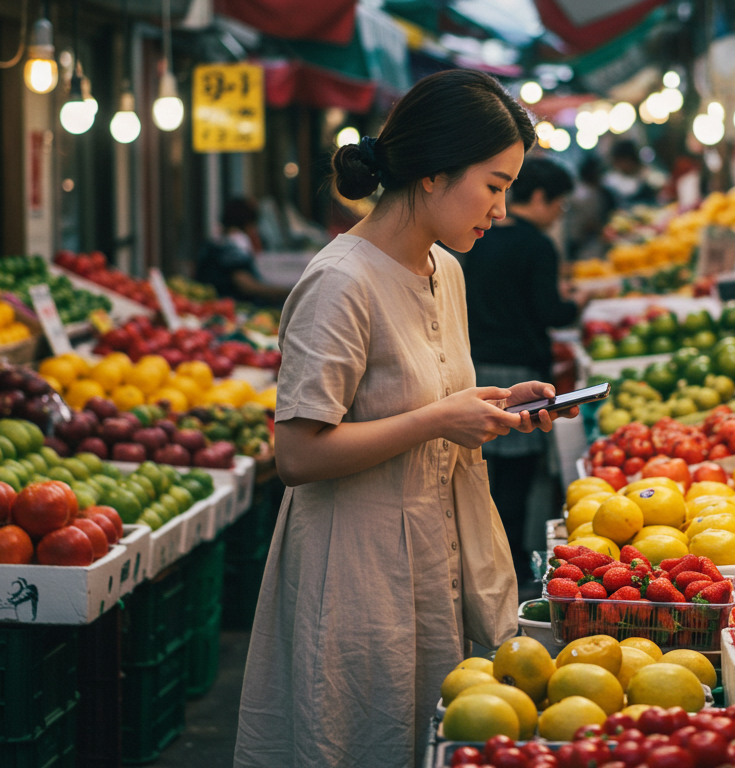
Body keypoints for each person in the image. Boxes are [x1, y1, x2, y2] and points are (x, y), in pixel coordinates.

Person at [234, 70, 572, 768]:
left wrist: (492, 411)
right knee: (362, 738)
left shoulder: (445, 269)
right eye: (495, 184)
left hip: (432, 551)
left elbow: (433, 403)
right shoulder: (339, 283)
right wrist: (437, 421)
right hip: (357, 572)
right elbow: (296, 454)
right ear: (431, 174)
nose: (502, 211)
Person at [460, 156, 584, 591]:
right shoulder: (537, 246)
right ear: (540, 197)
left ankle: (483, 565)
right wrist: (577, 303)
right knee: (515, 483)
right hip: (519, 376)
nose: (559, 215)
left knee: (478, 477)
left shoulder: (474, 240)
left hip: (473, 372)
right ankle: (509, 569)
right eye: (560, 204)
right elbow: (550, 310)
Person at [196, 197, 292, 304]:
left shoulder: (214, 244)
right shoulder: (231, 247)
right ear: (248, 224)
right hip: (234, 307)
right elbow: (246, 285)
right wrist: (287, 292)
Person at [605, 139, 660, 208]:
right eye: (617, 162)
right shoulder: (611, 182)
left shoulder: (647, 175)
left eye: (625, 161)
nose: (620, 165)